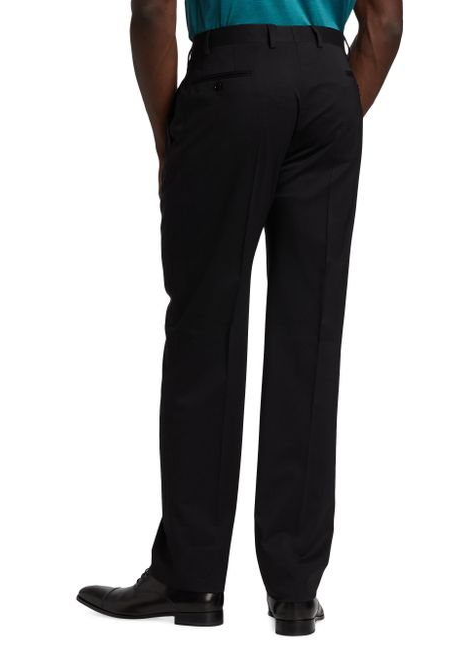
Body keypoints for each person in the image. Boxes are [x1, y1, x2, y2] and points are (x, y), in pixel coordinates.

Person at [77, 0, 402, 636]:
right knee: (310, 337)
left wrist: (169, 138)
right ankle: (295, 587)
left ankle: (192, 577)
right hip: (328, 84)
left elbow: (152, 12)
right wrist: (324, 112)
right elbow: (385, 23)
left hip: (230, 80)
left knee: (205, 330)